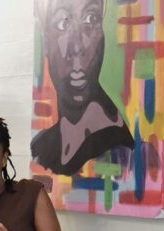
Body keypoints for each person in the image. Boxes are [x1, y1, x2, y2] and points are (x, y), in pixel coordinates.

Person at [30, 0, 134, 176]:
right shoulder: (41, 147)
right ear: (46, 42)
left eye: (90, 19)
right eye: (63, 24)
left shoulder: (119, 151)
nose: (77, 46)